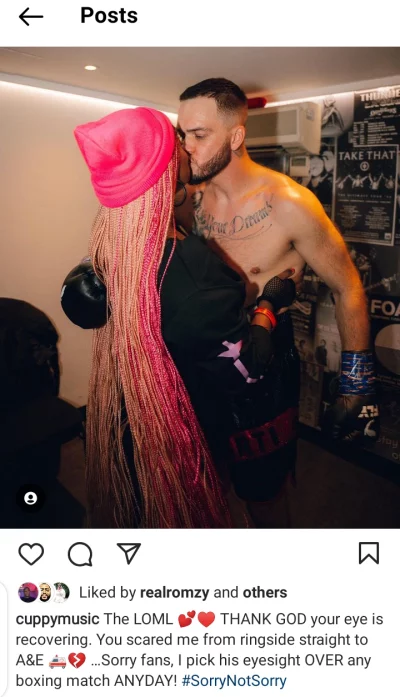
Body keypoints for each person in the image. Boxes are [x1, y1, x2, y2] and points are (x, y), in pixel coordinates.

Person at [62, 107, 297, 529]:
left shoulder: (113, 247)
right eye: (178, 142)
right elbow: (248, 369)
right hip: (187, 427)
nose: (188, 148)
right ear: (164, 168)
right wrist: (268, 305)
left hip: (135, 415)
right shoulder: (194, 280)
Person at [176, 78, 380, 519]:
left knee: (263, 494)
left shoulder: (289, 203)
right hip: (203, 359)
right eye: (182, 133)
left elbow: (348, 286)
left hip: (265, 365)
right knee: (202, 481)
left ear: (236, 136)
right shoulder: (190, 198)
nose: (186, 147)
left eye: (199, 134)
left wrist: (357, 386)